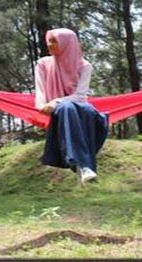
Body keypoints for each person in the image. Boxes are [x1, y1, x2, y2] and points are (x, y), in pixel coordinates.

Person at [35, 28, 108, 185]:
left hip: (76, 106)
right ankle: (83, 165)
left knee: (90, 112)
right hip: (59, 108)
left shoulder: (85, 66)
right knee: (67, 108)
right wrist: (42, 105)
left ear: (68, 44)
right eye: (49, 40)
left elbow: (81, 95)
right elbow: (40, 91)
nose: (49, 44)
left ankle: (83, 166)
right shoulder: (42, 64)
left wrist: (56, 102)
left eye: (55, 41)